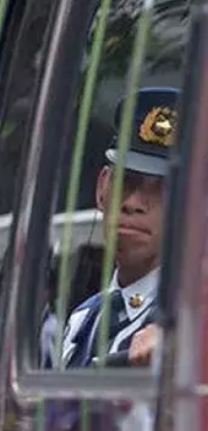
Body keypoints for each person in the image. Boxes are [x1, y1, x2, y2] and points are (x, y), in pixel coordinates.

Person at [60, 87, 176, 369]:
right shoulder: (82, 321)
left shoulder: (192, 325)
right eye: (127, 180)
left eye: (160, 189)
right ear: (102, 188)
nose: (134, 203)